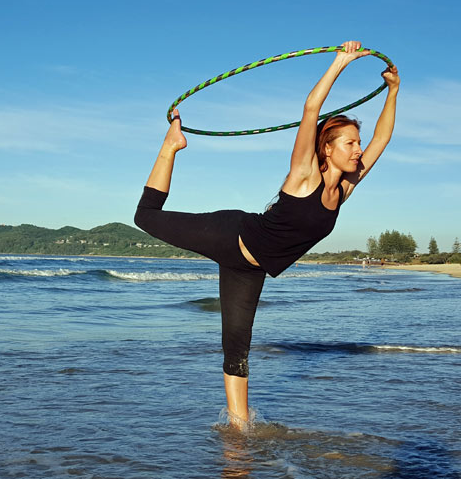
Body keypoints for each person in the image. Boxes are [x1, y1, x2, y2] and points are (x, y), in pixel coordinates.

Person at [134, 40, 400, 429]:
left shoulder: (345, 188)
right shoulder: (304, 173)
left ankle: (239, 426)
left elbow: (383, 140)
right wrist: (339, 63)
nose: (358, 150)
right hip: (230, 235)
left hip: (250, 269)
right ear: (326, 150)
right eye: (350, 143)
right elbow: (310, 110)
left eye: (357, 144)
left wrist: (393, 90)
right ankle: (172, 144)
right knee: (145, 216)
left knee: (237, 345)